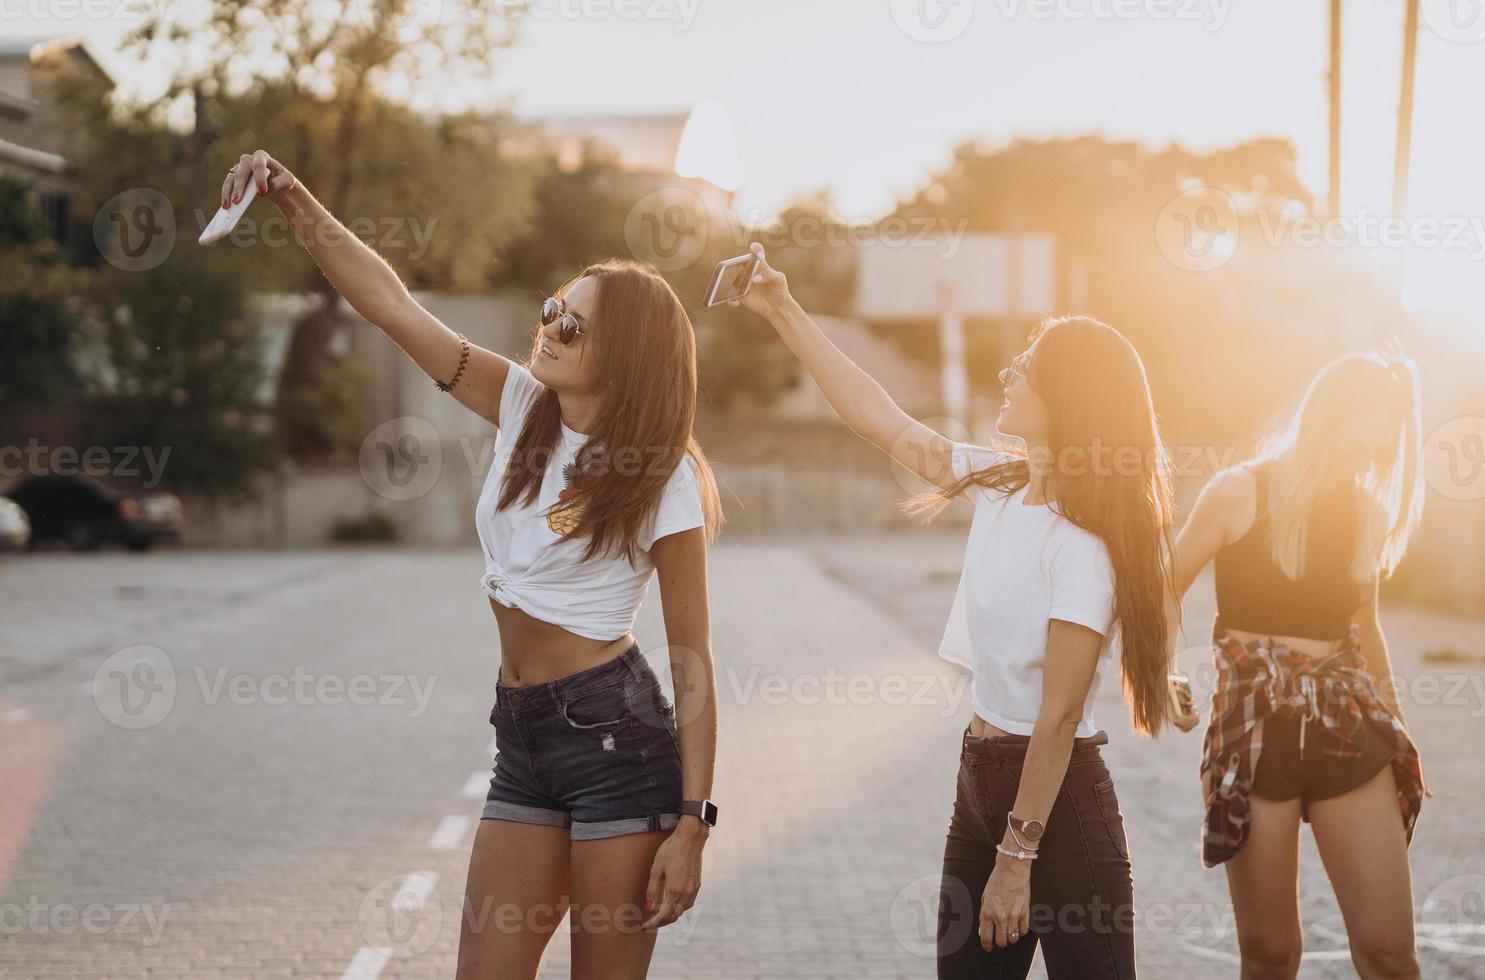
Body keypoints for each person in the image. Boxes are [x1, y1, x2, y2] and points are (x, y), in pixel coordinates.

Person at [220, 151, 724, 979]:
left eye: (574, 326)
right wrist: (292, 197)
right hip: (522, 735)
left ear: (628, 353)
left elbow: (693, 655)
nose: (549, 331)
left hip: (618, 746)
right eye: (551, 311)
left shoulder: (663, 475)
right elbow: (388, 301)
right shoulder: (523, 404)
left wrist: (693, 820)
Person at [731, 243, 1178, 978]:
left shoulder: (1083, 543)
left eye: (1025, 367)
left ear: (1067, 397)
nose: (1006, 372)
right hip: (980, 782)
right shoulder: (1001, 485)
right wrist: (783, 308)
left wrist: (1016, 856)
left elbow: (1059, 716)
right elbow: (880, 419)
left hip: (1056, 813)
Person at [1171, 346, 1429, 980]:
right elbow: (1159, 590)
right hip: (1255, 732)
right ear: (1324, 419)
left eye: (1377, 454)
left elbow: (1365, 629)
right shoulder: (1237, 492)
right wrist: (1158, 672)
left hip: (1348, 725)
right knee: (1272, 955)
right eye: (1356, 446)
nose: (1363, 465)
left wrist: (1397, 730)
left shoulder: (1364, 513)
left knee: (1391, 953)